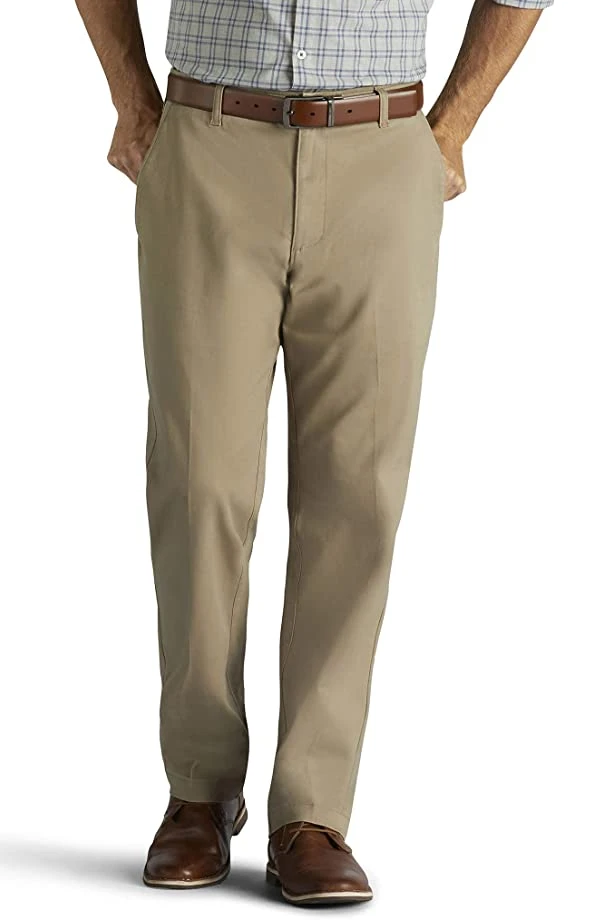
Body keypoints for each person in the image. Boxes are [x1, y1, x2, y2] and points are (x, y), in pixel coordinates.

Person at [75, 0, 552, 905]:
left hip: (382, 149)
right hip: (211, 140)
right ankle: (199, 788)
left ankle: (313, 812)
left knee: (356, 495)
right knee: (199, 482)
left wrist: (451, 128)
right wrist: (132, 99)